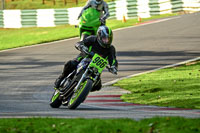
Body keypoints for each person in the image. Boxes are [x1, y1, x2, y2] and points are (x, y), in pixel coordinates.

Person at [54, 25, 118, 92]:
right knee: (70, 64)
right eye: (104, 38)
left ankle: (81, 91)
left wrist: (114, 67)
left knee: (98, 87)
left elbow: (113, 60)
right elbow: (80, 43)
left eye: (108, 39)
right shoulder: (92, 39)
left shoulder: (111, 49)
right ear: (99, 37)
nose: (106, 41)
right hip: (83, 59)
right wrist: (81, 46)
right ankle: (61, 78)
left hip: (96, 69)